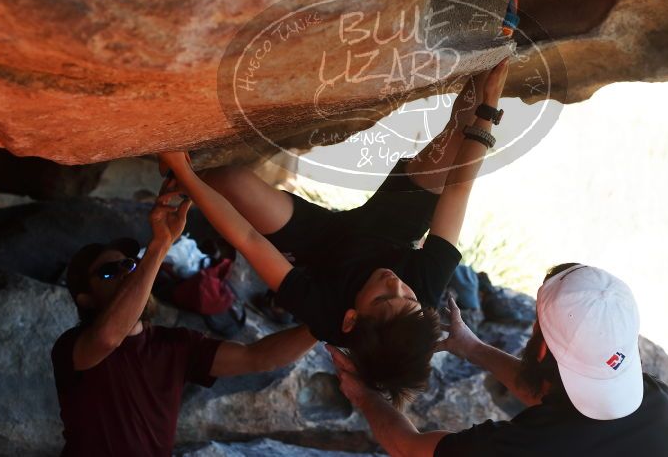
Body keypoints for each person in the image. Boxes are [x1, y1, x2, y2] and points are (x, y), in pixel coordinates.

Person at [157, 58, 510, 407]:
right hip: (393, 227)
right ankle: (491, 56)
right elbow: (458, 188)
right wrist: (489, 107)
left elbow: (248, 238)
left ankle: (186, 180)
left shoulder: (325, 311)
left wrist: (187, 177)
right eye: (410, 297)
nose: (395, 283)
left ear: (350, 318)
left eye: (384, 299)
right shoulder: (424, 293)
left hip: (321, 244)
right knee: (453, 143)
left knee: (232, 182)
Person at [51, 191, 317, 457]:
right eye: (108, 272)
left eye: (129, 265)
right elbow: (108, 338)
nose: (124, 272)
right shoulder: (71, 346)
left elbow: (258, 357)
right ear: (85, 300)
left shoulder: (176, 344)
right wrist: (160, 246)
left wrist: (323, 325)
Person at [328, 263, 668, 457]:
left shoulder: (527, 447)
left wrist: (363, 395)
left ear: (543, 349)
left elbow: (408, 448)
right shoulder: (660, 403)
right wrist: (472, 348)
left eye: (537, 326)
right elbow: (558, 401)